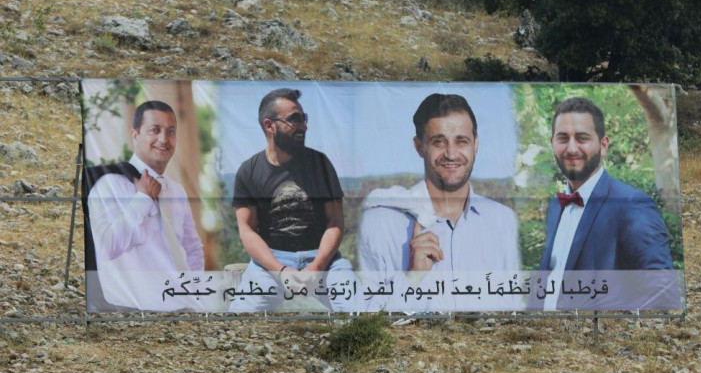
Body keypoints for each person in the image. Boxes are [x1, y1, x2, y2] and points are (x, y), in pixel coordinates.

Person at [359, 93, 520, 274]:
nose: (451, 154)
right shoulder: (381, 224)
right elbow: (365, 302)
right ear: (419, 146)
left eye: (461, 141)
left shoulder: (504, 222)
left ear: (475, 144)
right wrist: (412, 279)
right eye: (439, 142)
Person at [229, 88, 352, 311]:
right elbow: (246, 229)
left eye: (303, 118)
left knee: (359, 311)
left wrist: (318, 265)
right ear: (269, 126)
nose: (303, 126)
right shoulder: (249, 171)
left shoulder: (320, 163)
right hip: (270, 263)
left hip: (324, 259)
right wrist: (279, 270)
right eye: (294, 119)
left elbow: (335, 221)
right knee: (237, 319)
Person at [85, 100, 205, 311]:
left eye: (171, 131)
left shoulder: (176, 190)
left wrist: (192, 291)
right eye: (154, 130)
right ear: (135, 135)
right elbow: (107, 247)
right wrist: (142, 199)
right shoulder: (110, 184)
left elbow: (192, 248)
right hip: (131, 311)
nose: (163, 139)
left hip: (181, 307)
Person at [539, 97, 673, 275]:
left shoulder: (633, 205)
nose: (571, 149)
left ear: (603, 146)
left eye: (582, 138)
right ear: (552, 143)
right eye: (563, 138)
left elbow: (660, 289)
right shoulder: (555, 206)